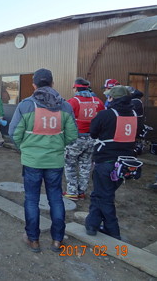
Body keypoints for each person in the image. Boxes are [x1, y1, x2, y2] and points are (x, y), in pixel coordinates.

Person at [8, 68, 78, 253]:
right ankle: (57, 240)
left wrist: (25, 148)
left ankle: (33, 240)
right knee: (56, 198)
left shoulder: (26, 105)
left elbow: (14, 133)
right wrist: (57, 144)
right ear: (52, 84)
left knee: (31, 199)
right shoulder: (65, 106)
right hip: (55, 161)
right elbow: (72, 135)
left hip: (32, 162)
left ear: (34, 85)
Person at [85, 86, 138, 240]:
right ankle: (92, 224)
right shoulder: (135, 115)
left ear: (112, 99)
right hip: (125, 163)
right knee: (101, 193)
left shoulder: (105, 115)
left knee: (104, 196)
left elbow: (93, 132)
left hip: (106, 162)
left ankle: (112, 229)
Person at [63, 78, 104, 201]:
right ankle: (82, 191)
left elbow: (65, 119)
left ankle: (72, 191)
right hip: (92, 138)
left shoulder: (73, 102)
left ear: (76, 88)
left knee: (70, 164)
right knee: (85, 165)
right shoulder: (98, 101)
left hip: (76, 138)